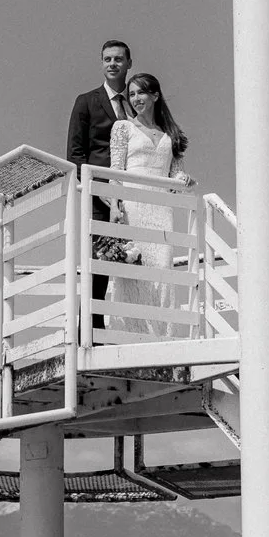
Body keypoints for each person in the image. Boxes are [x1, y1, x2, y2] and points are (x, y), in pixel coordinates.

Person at [66, 40, 185, 326]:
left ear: (129, 63)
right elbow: (76, 153)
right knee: (102, 261)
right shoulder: (86, 101)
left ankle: (141, 324)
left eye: (118, 59)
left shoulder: (137, 109)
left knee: (142, 260)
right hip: (99, 196)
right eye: (107, 59)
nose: (112, 64)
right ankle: (92, 331)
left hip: (139, 197)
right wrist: (101, 190)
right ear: (101, 62)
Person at [107, 73, 193, 335]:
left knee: (163, 266)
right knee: (135, 270)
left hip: (161, 210)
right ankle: (131, 334)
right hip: (133, 206)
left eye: (141, 93)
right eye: (131, 94)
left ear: (155, 96)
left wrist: (183, 179)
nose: (135, 99)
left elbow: (172, 174)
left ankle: (162, 335)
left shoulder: (170, 134)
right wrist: (114, 205)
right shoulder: (122, 128)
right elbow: (115, 170)